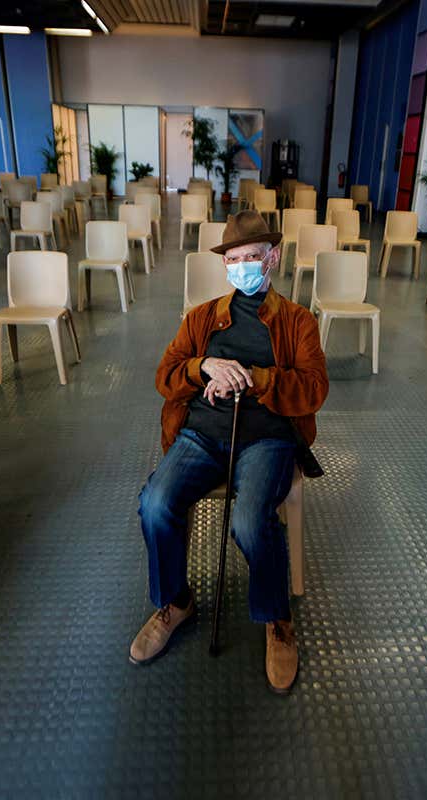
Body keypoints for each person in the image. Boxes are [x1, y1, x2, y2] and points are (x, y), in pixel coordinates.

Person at [132, 210, 328, 693]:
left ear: (273, 258)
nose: (242, 267)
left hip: (267, 439)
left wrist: (258, 379)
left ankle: (275, 619)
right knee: (156, 502)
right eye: (234, 259)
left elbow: (314, 388)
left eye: (252, 258)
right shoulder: (202, 318)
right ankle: (175, 601)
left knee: (250, 520)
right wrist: (204, 368)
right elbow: (165, 376)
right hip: (202, 434)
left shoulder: (298, 322)